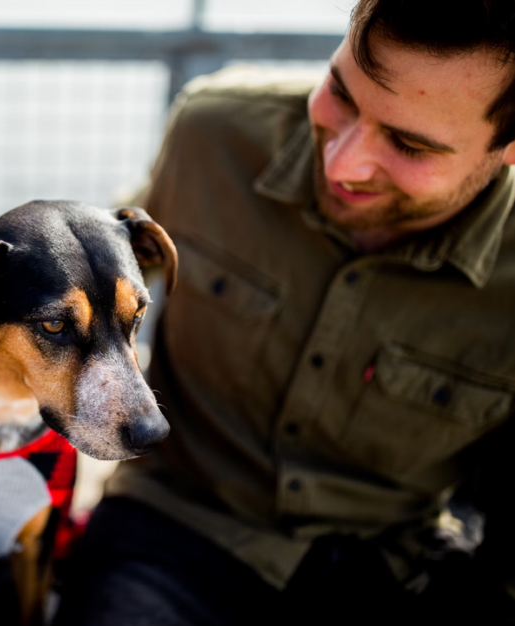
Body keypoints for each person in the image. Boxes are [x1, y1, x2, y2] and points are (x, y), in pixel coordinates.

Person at [55, 1, 515, 624]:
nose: (343, 162)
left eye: (409, 144)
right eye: (341, 94)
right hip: (169, 531)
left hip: (390, 566)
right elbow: (102, 273)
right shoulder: (211, 131)